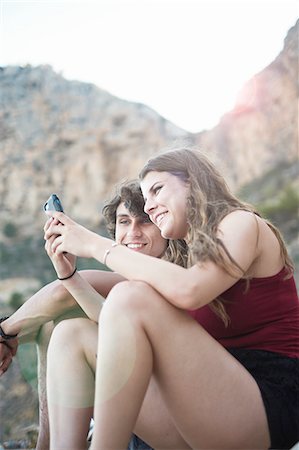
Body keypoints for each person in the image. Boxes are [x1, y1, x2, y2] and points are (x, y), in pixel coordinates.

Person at [44, 148, 299, 450]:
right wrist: (68, 274)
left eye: (156, 190)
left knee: (130, 295)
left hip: (264, 405)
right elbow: (120, 332)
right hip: (203, 404)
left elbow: (190, 290)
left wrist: (96, 245)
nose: (149, 207)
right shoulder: (187, 261)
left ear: (192, 183)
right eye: (145, 197)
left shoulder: (241, 223)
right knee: (71, 335)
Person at [0, 180, 186, 450]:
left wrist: (6, 332)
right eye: (124, 222)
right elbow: (102, 316)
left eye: (145, 222)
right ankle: (46, 443)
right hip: (149, 412)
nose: (133, 231)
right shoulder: (134, 278)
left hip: (180, 421)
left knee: (70, 328)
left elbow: (61, 295)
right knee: (56, 324)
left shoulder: (170, 273)